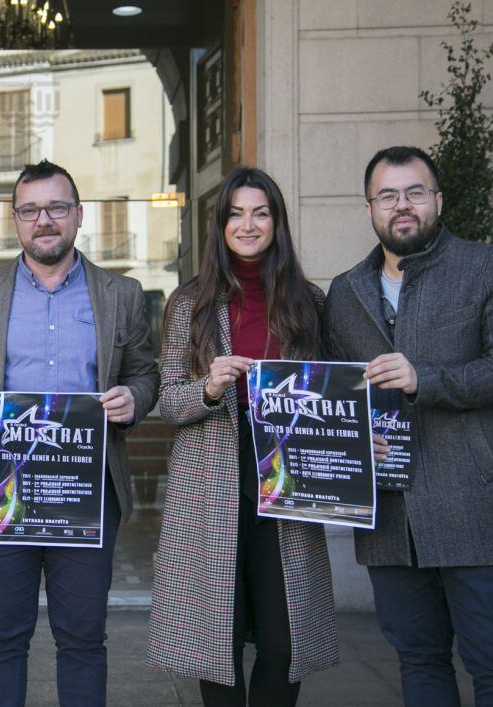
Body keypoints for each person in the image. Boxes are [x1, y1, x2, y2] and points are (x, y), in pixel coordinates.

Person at [0, 159, 159, 706]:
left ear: (78, 215)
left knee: (83, 640)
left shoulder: (120, 294)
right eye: (31, 210)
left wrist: (134, 399)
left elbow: (146, 373)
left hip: (83, 494)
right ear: (15, 219)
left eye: (56, 207)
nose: (44, 220)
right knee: (0, 640)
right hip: (1, 492)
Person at [324, 146, 493, 706]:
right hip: (391, 517)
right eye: (388, 195)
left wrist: (426, 379)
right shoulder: (344, 292)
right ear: (369, 208)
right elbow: (336, 391)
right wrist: (348, 439)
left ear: (437, 201)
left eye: (415, 193)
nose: (402, 206)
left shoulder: (487, 267)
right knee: (418, 665)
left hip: (477, 508)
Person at [146, 167, 340, 706]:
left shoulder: (309, 302)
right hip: (211, 491)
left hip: (287, 490)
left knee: (285, 642)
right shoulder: (191, 303)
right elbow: (167, 401)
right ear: (220, 224)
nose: (248, 224)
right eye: (236, 213)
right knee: (217, 645)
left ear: (276, 222)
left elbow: (334, 394)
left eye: (260, 212)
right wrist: (208, 388)